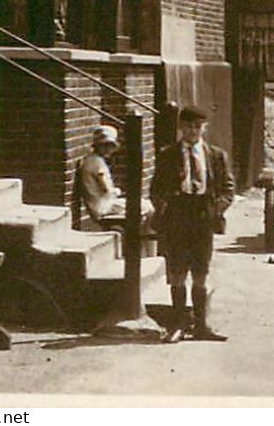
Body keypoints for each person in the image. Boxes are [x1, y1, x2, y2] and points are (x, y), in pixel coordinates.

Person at [151, 106, 234, 343]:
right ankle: (177, 325)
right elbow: (156, 189)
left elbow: (228, 188)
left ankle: (201, 326)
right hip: (177, 215)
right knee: (177, 272)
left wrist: (215, 210)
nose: (193, 131)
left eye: (198, 126)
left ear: (204, 128)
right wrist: (164, 208)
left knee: (201, 272)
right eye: (188, 126)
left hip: (203, 216)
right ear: (180, 128)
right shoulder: (168, 155)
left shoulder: (216, 156)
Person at [76, 125, 153, 231]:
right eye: (104, 146)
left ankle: (139, 236)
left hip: (102, 204)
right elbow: (105, 187)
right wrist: (117, 191)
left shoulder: (92, 160)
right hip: (104, 206)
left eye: (110, 146)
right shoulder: (96, 162)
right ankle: (145, 243)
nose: (108, 149)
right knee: (149, 207)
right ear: (98, 146)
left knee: (143, 207)